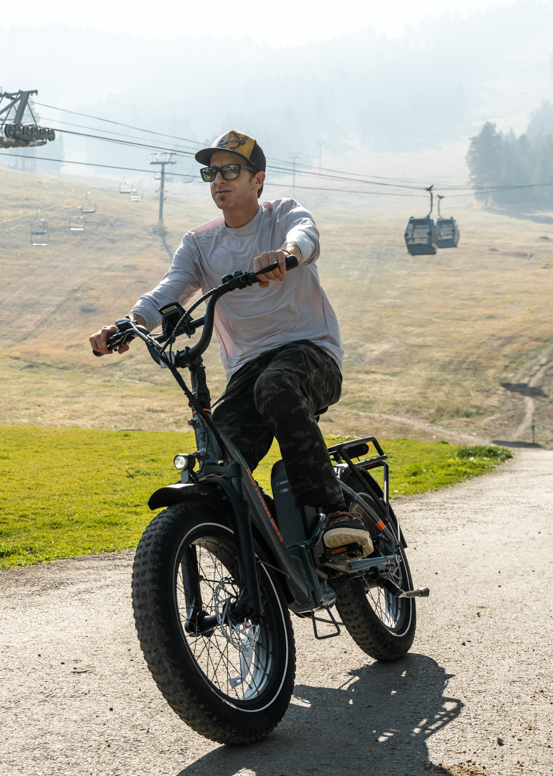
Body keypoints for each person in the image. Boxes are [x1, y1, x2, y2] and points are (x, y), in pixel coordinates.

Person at [89, 130, 372, 553]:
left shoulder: (282, 216)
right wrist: (128, 323)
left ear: (257, 179)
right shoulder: (199, 243)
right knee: (217, 464)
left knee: (275, 387)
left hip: (310, 353)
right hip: (247, 371)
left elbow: (306, 233)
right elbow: (169, 290)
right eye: (211, 172)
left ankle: (336, 511)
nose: (218, 179)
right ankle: (273, 559)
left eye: (231, 170)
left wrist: (286, 253)